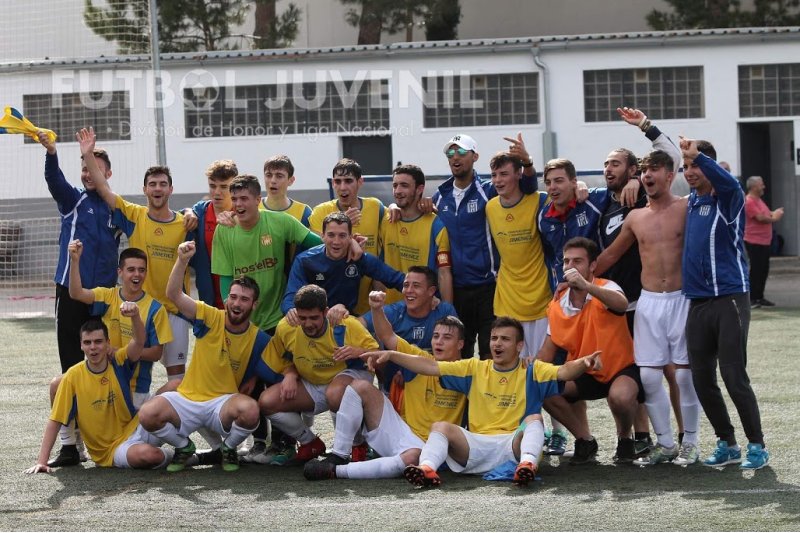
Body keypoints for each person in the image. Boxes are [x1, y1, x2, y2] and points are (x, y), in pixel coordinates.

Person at [364, 316, 600, 488]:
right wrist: (392, 355)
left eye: (505, 339)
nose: (497, 344)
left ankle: (527, 466)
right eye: (494, 338)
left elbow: (564, 372)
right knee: (441, 427)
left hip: (512, 445)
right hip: (475, 446)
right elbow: (430, 366)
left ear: (519, 346)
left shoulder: (533, 370)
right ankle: (426, 468)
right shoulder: (475, 368)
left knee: (534, 419)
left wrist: (584, 364)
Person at [595, 151, 702, 466]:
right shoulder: (635, 217)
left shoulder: (687, 208)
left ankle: (691, 442)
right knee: (650, 377)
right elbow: (611, 255)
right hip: (648, 301)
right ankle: (665, 444)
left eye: (655, 169)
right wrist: (579, 277)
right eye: (644, 171)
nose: (649, 176)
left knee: (683, 377)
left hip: (683, 298)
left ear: (670, 175)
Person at [138, 241, 280, 473]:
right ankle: (184, 447)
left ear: (254, 305)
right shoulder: (210, 316)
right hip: (188, 399)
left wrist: (255, 376)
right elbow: (173, 294)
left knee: (251, 410)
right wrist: (182, 260)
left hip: (221, 405)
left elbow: (273, 370)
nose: (237, 303)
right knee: (147, 414)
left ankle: (229, 447)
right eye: (233, 297)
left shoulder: (260, 338)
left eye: (244, 299)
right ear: (227, 299)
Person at [303, 291, 466, 481]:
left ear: (461, 344)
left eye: (446, 338)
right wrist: (377, 308)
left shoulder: (468, 370)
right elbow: (387, 335)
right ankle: (338, 455)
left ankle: (336, 472)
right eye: (436, 336)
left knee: (413, 456)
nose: (439, 341)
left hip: (435, 445)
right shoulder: (420, 358)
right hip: (402, 433)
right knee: (360, 387)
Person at [680, 137, 769, 470]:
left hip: (730, 297)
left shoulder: (729, 199)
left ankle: (757, 445)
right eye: (685, 166)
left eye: (694, 165)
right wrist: (648, 128)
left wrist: (699, 156)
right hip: (698, 303)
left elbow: (728, 181)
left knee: (733, 376)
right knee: (701, 378)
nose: (689, 172)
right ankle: (727, 443)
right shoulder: (691, 202)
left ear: (708, 165)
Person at [78, 127, 192, 381]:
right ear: (145, 189)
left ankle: (159, 414)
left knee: (176, 379)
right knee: (129, 373)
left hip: (173, 312)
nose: (158, 188)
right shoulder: (134, 214)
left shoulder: (185, 223)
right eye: (153, 184)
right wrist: (87, 156)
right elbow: (105, 190)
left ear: (171, 190)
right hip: (139, 311)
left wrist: (192, 212)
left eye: (163, 184)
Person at [433, 133, 538, 359]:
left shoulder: (489, 189)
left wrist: (527, 162)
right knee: (458, 355)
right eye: (450, 153)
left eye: (461, 152)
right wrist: (393, 206)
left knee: (491, 354)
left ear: (475, 156)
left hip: (489, 288)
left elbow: (528, 187)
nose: (455, 157)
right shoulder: (439, 197)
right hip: (456, 289)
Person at [539, 237, 643, 465]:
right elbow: (546, 353)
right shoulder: (557, 304)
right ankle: (584, 440)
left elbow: (621, 304)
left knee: (621, 398)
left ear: (593, 265)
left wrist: (587, 287)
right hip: (585, 371)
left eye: (578, 261)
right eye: (566, 261)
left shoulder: (606, 286)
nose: (570, 266)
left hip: (620, 367)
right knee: (545, 389)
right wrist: (527, 369)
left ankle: (625, 439)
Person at [25, 316, 172, 474]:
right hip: (112, 450)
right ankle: (188, 456)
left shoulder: (119, 361)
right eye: (87, 342)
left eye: (98, 341)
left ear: (108, 343)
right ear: (81, 345)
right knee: (150, 455)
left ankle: (187, 446)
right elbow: (55, 420)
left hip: (136, 427)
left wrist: (135, 315)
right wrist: (42, 461)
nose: (93, 347)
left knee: (175, 386)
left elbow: (138, 342)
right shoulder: (72, 377)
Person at [259, 284, 379, 465]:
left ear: (326, 312)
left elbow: (378, 357)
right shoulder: (287, 327)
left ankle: (358, 445)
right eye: (303, 318)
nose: (308, 324)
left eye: (314, 317)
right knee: (267, 402)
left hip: (349, 376)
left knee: (335, 393)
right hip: (313, 384)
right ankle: (310, 442)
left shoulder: (345, 324)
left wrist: (357, 351)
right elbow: (274, 359)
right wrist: (290, 373)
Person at [36, 130, 120, 375]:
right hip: (70, 292)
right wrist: (51, 152)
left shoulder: (117, 209)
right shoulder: (73, 199)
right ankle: (72, 410)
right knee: (72, 361)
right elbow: (54, 179)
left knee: (105, 356)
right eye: (84, 168)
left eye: (93, 168)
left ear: (108, 174)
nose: (88, 173)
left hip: (102, 297)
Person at [212, 174, 322, 334]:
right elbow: (225, 275)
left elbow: (316, 242)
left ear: (258, 200)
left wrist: (348, 241)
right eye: (234, 199)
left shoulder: (281, 221)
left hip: (277, 318)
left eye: (244, 198)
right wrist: (229, 307)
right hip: (244, 320)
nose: (238, 204)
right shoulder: (224, 229)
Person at [68, 242, 173, 408]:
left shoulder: (156, 308)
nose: (136, 274)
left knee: (177, 386)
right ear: (120, 273)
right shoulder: (108, 296)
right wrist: (74, 261)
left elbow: (156, 353)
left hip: (136, 389)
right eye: (131, 270)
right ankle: (71, 434)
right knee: (58, 385)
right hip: (104, 381)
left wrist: (119, 353)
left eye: (141, 270)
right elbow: (76, 293)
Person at [485, 151, 550, 358]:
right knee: (509, 366)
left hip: (540, 300)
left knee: (540, 369)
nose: (497, 180)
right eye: (494, 175)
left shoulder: (540, 201)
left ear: (519, 174)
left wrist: (582, 187)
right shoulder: (491, 207)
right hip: (507, 300)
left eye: (503, 174)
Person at [282, 212, 405, 321]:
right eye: (331, 235)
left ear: (350, 238)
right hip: (314, 321)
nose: (336, 241)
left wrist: (417, 295)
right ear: (322, 236)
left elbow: (397, 279)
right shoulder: (304, 260)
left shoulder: (359, 258)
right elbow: (291, 295)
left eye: (342, 236)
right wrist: (291, 309)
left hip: (347, 320)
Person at [359, 266, 457, 392]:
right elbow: (359, 325)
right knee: (359, 389)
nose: (409, 290)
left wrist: (413, 374)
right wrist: (343, 312)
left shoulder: (444, 311)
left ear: (431, 291)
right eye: (406, 285)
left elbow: (454, 351)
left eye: (416, 286)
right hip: (396, 390)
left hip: (437, 389)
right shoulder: (393, 311)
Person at [309, 158, 386, 314]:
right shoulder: (320, 212)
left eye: (348, 181)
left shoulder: (375, 207)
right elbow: (317, 255)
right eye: (338, 181)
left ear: (360, 182)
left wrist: (395, 206)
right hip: (330, 303)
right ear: (333, 184)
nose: (342, 187)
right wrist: (342, 224)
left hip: (367, 305)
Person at [379, 164, 453, 304]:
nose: (398, 191)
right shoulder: (386, 220)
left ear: (420, 189)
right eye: (395, 185)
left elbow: (444, 273)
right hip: (392, 311)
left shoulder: (436, 225)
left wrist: (447, 311)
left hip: (424, 310)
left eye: (404, 186)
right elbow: (379, 268)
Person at [191, 159, 238, 309]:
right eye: (212, 186)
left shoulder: (245, 215)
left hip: (241, 299)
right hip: (209, 301)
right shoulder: (200, 214)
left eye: (224, 187)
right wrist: (188, 212)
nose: (217, 192)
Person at [744, 175, 784, 308]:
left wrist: (774, 212)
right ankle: (752, 298)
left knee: (763, 269)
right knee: (756, 269)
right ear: (754, 187)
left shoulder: (758, 200)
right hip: (754, 241)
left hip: (764, 241)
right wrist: (775, 218)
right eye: (761, 184)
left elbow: (766, 214)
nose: (763, 187)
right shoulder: (749, 201)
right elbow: (760, 218)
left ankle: (759, 297)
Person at [260, 154, 312, 227]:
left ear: (291, 180)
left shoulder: (304, 212)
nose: (273, 180)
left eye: (279, 176)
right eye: (268, 175)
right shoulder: (253, 207)